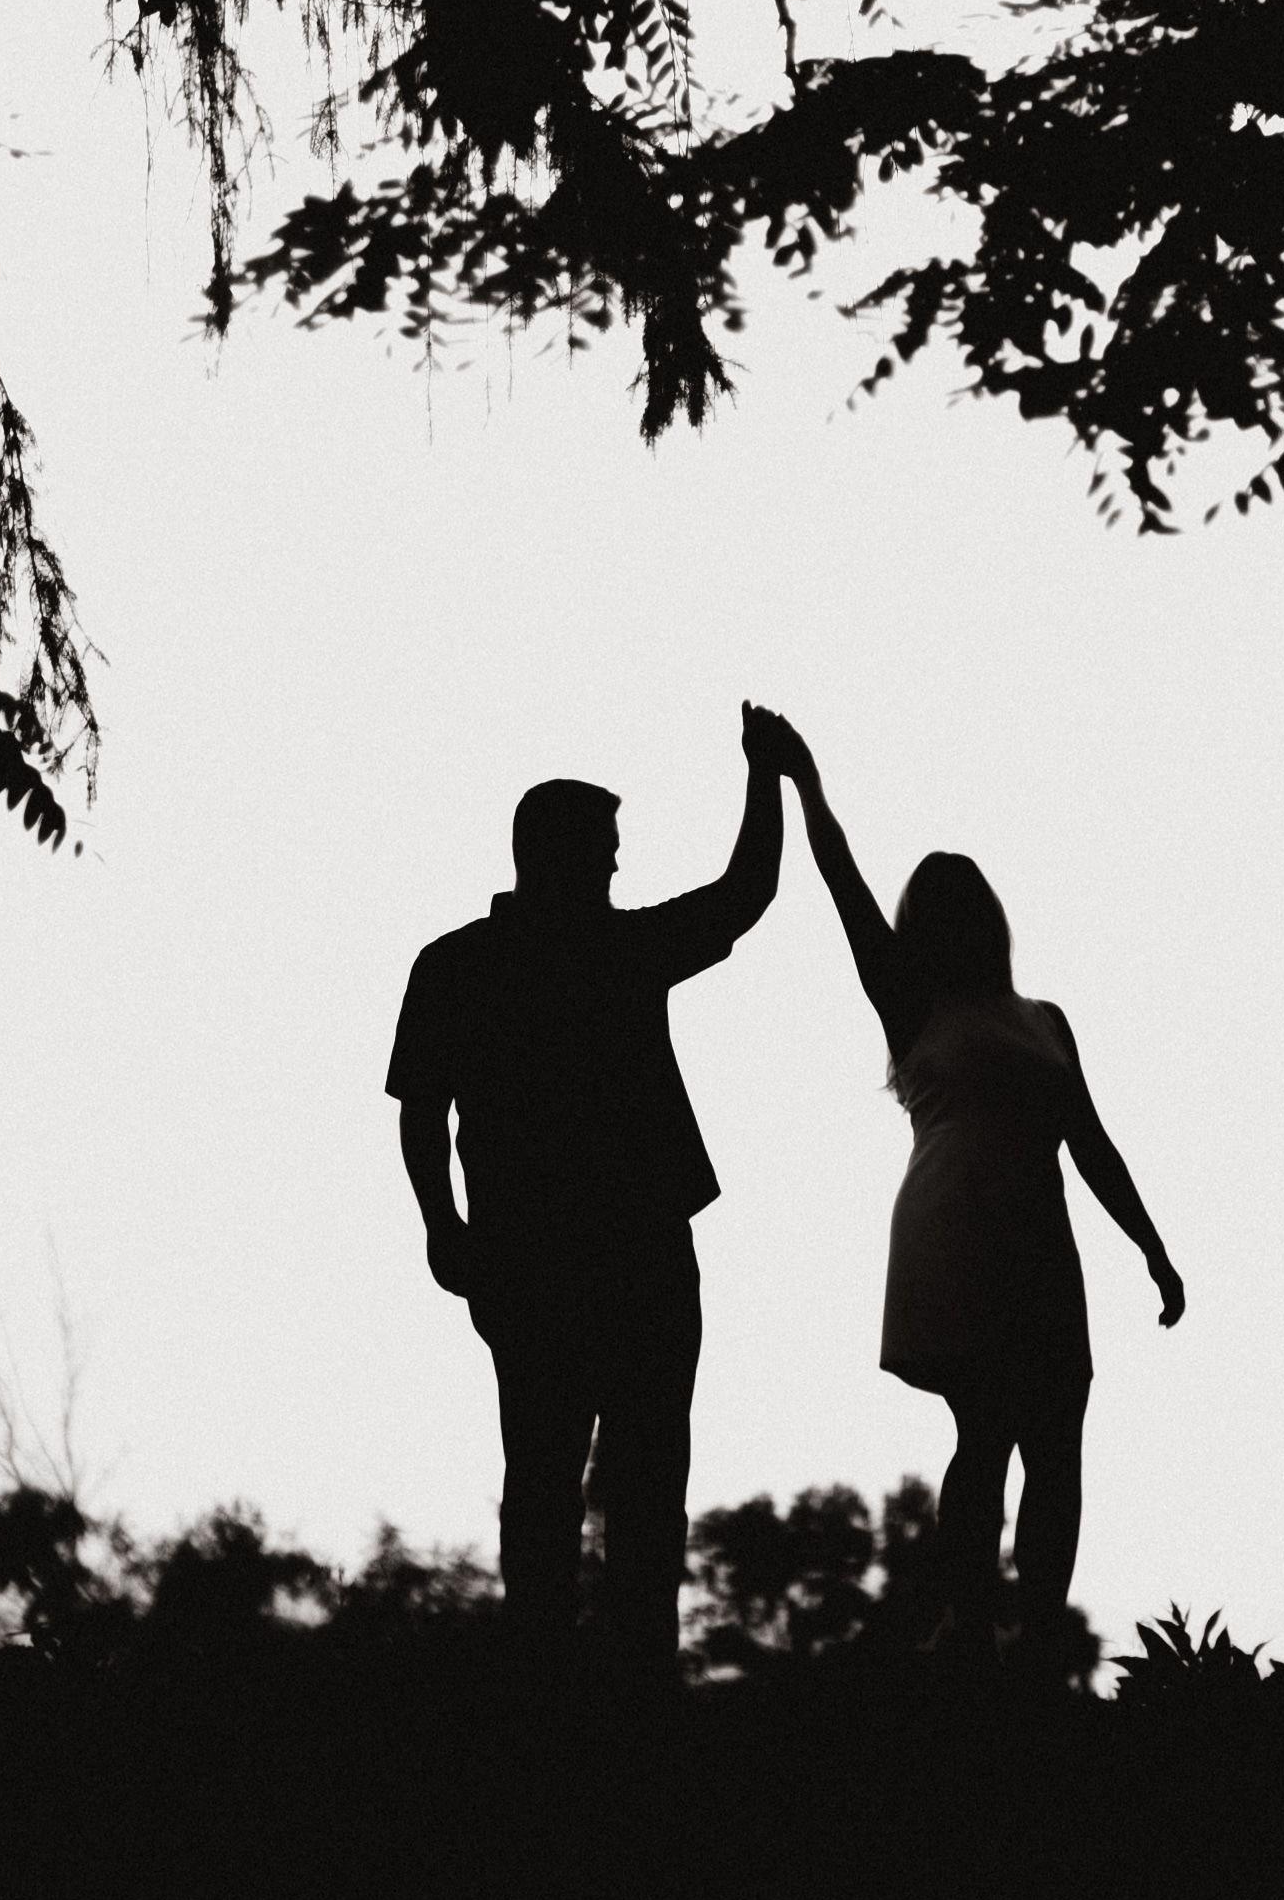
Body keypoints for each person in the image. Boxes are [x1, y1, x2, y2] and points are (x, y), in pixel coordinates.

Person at [753, 710, 1181, 1670]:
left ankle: (1037, 1634)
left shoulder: (1045, 1019)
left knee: (1058, 1441)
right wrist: (803, 782)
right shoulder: (910, 1003)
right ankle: (971, 1630)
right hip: (956, 1232)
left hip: (1041, 1239)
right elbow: (842, 881)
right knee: (987, 1432)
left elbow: (1090, 1142)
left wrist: (1152, 1248)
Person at [386, 716, 786, 1682]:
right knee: (609, 1482)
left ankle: (565, 1683)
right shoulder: (601, 952)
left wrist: (445, 1227)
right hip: (605, 1257)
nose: (615, 865)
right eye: (605, 849)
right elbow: (744, 894)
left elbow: (420, 1114)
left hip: (553, 1256)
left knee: (557, 1479)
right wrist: (766, 777)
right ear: (559, 856)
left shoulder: (466, 963)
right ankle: (607, 1682)